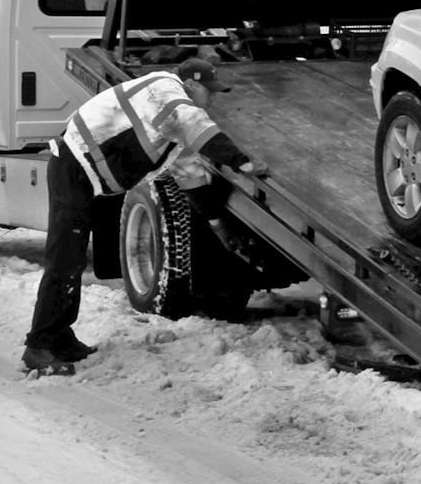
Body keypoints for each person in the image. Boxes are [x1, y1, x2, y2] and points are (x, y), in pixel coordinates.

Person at [22, 56, 261, 371]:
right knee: (63, 258)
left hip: (82, 172)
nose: (212, 98)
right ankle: (39, 345)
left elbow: (188, 173)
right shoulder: (165, 91)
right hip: (72, 167)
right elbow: (194, 123)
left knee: (73, 259)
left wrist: (218, 222)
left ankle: (60, 335)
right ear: (191, 84)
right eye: (209, 90)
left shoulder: (170, 120)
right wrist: (240, 160)